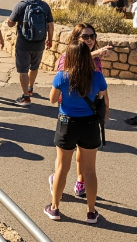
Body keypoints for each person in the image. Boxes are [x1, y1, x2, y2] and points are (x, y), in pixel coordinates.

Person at [45, 40, 108, 224]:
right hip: (89, 124)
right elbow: (101, 95)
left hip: (67, 123)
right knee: (89, 171)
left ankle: (55, 208)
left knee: (62, 169)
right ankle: (91, 212)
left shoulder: (62, 76)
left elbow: (52, 99)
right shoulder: (96, 77)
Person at [54, 23, 113, 200]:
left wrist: (107, 108)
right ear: (76, 38)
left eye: (92, 36)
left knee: (83, 154)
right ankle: (58, 184)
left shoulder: (96, 60)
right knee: (64, 158)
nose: (89, 40)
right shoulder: (68, 56)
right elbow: (65, 73)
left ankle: (79, 183)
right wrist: (96, 53)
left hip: (90, 112)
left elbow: (102, 87)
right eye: (85, 37)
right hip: (69, 110)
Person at [7, 0, 54, 105]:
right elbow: (50, 25)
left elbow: (10, 23)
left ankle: (25, 97)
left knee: (23, 69)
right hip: (39, 43)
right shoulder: (44, 6)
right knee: (34, 67)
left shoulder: (20, 6)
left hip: (23, 44)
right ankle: (30, 88)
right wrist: (50, 39)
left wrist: (11, 21)